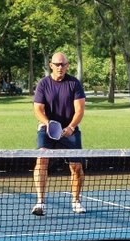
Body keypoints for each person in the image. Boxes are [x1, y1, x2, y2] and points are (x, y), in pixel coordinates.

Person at [31, 52, 86, 216]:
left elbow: (80, 110)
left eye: (63, 64)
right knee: (41, 160)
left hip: (69, 130)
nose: (60, 67)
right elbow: (38, 110)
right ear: (51, 65)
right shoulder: (43, 84)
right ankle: (40, 203)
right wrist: (49, 124)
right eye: (57, 64)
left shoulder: (74, 84)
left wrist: (70, 128)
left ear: (67, 66)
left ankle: (76, 201)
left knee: (76, 167)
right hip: (47, 129)